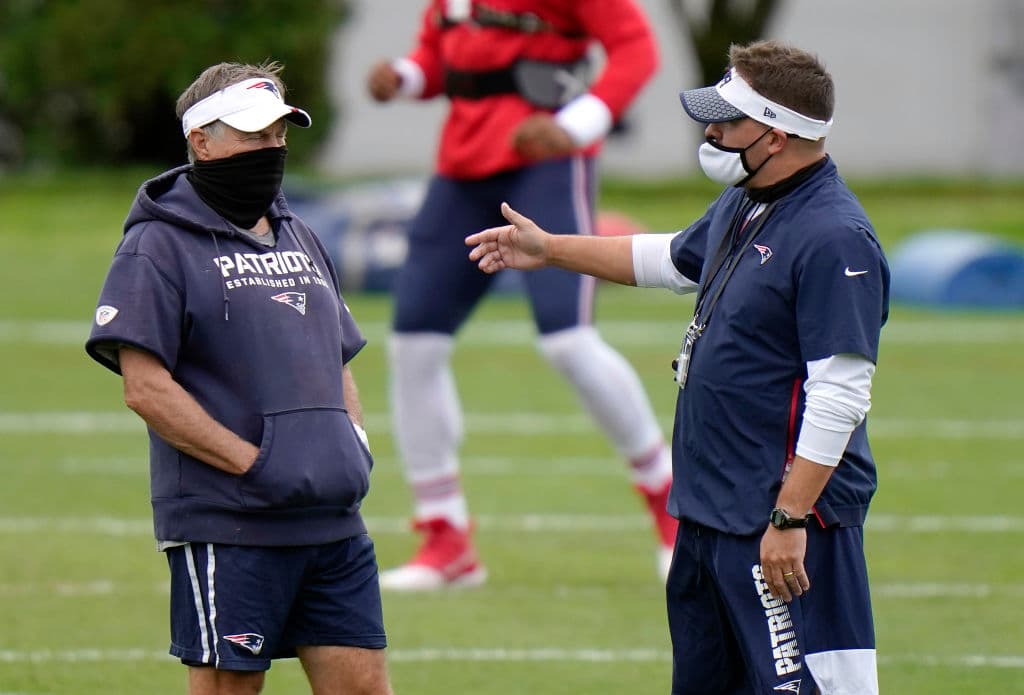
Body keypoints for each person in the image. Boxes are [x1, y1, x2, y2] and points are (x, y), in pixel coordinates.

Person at [467, 40, 888, 695]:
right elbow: (669, 259)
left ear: (776, 136)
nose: (711, 131)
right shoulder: (751, 199)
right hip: (710, 514)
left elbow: (841, 391)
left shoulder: (834, 235)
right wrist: (549, 249)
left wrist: (789, 520)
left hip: (777, 523)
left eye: (726, 119)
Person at [85, 61, 394, 695]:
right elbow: (144, 387)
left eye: (280, 134)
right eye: (254, 136)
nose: (272, 149)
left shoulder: (299, 233)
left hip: (333, 521)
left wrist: (353, 444)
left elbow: (335, 357)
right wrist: (254, 466)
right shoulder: (156, 247)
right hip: (231, 524)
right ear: (202, 141)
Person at [365, 0, 678, 592]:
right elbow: (443, 58)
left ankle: (671, 509)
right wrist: (403, 76)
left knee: (568, 342)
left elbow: (637, 48)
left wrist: (575, 124)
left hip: (545, 162)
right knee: (413, 347)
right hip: (463, 169)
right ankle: (445, 539)